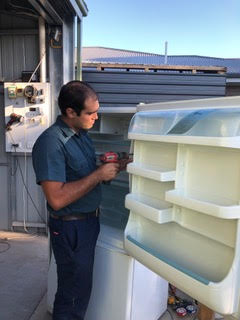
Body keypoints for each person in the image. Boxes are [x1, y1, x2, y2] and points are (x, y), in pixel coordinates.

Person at [32, 81, 121, 320]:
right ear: (70, 112)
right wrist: (98, 175)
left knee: (79, 289)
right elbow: (57, 198)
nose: (96, 117)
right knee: (72, 293)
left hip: (87, 224)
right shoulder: (51, 142)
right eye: (90, 113)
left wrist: (113, 167)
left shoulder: (81, 135)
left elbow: (83, 176)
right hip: (70, 226)